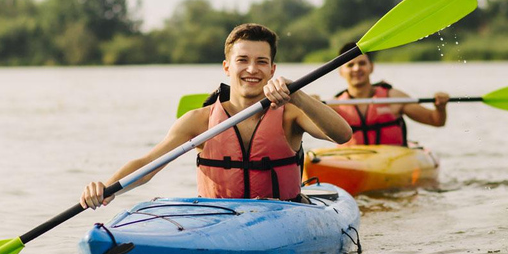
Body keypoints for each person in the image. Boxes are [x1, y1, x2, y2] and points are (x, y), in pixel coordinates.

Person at [80, 23, 352, 210]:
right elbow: (148, 164)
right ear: (227, 67)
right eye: (242, 60)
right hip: (218, 218)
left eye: (261, 62)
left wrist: (298, 94)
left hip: (284, 216)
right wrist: (107, 188)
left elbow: (343, 135)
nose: (251, 69)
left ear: (272, 70)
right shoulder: (199, 120)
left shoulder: (290, 114)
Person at [330, 42, 450, 146]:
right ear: (341, 71)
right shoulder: (333, 106)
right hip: (350, 161)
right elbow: (314, 129)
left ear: (371, 67)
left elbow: (436, 121)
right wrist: (311, 108)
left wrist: (440, 108)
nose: (356, 68)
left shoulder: (393, 97)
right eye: (350, 65)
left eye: (362, 63)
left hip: (393, 160)